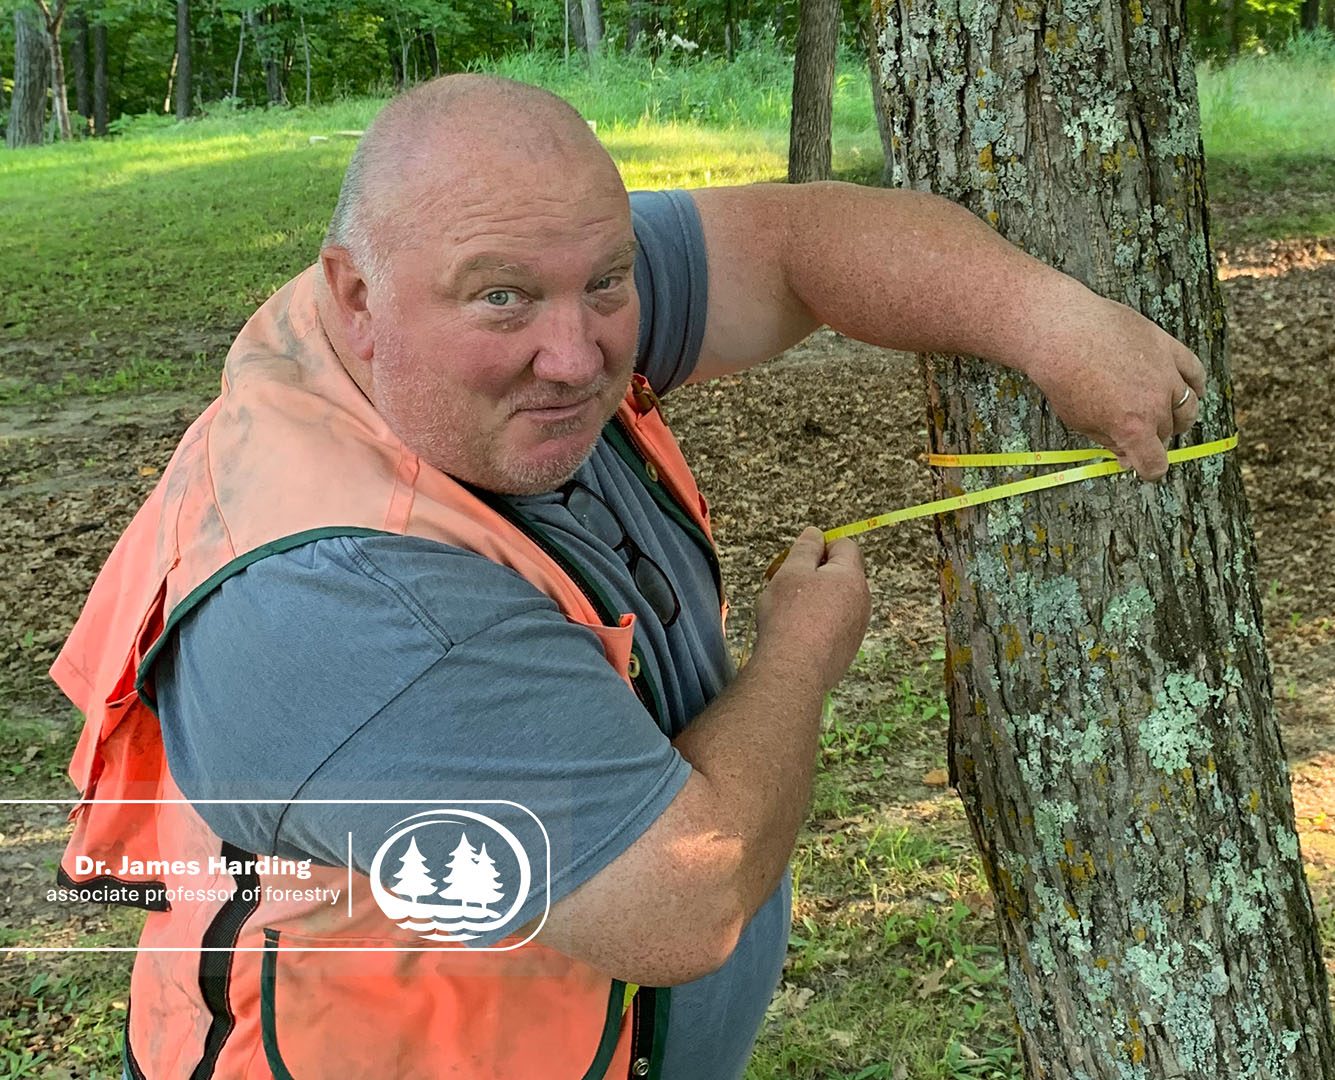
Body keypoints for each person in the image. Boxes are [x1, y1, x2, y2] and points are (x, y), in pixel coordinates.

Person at [51, 74, 1205, 1080]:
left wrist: (1055, 324)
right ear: (357, 295)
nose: (578, 353)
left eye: (606, 284)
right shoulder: (352, 606)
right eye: (503, 298)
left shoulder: (481, 283)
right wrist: (799, 658)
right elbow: (682, 899)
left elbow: (799, 242)